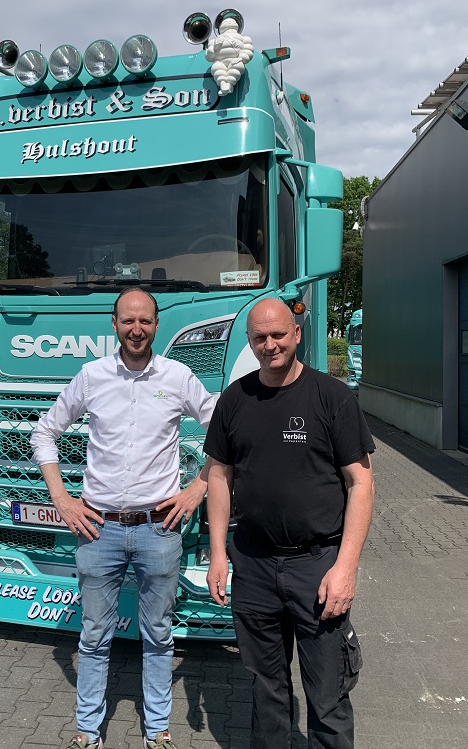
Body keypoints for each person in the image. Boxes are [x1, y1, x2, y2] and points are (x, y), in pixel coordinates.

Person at [30, 287, 215, 749]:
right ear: (113, 324)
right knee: (94, 635)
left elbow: (223, 430)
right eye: (128, 321)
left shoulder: (178, 377)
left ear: (157, 325)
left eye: (145, 321)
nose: (137, 329)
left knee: (158, 634)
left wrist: (199, 487)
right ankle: (88, 730)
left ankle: (157, 730)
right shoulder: (91, 376)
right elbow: (44, 433)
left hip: (160, 528)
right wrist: (62, 499)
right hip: (99, 529)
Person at [204, 298, 375, 749]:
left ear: (297, 334)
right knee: (266, 690)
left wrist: (346, 568)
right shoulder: (235, 399)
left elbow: (361, 483)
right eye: (260, 337)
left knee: (328, 696)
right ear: (249, 341)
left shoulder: (331, 397)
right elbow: (219, 477)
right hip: (254, 565)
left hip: (317, 566)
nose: (270, 344)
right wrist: (218, 553)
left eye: (279, 334)